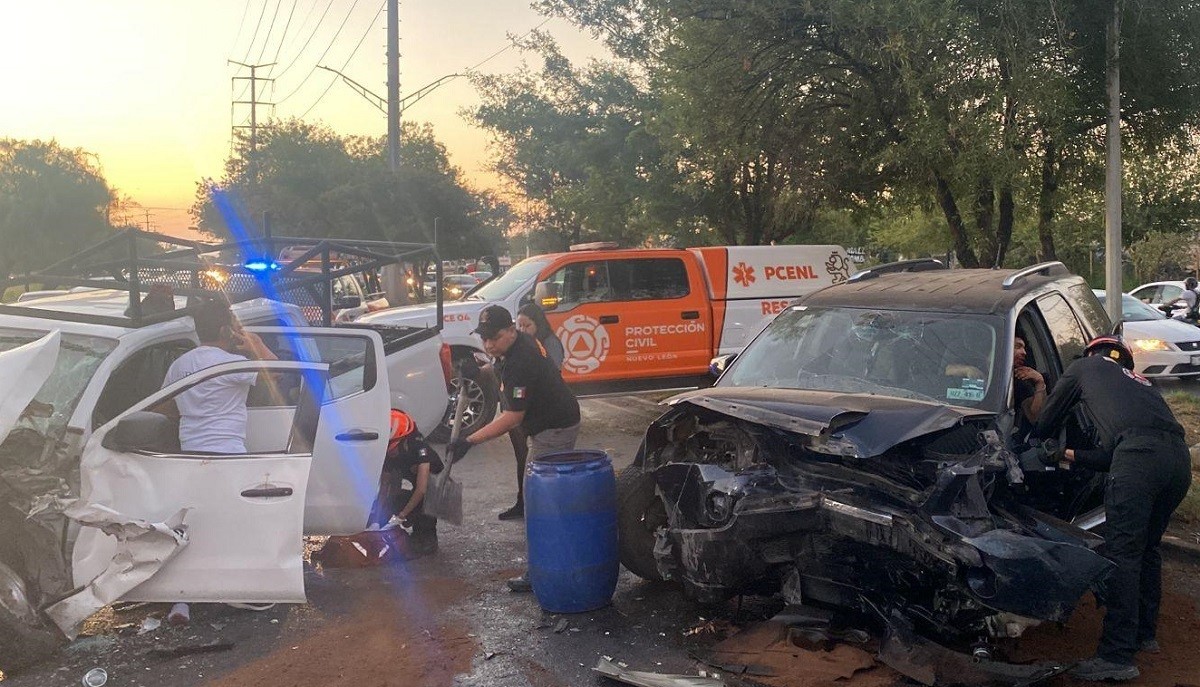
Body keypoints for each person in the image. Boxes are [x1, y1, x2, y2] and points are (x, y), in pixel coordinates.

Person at [1031, 336, 1192, 681]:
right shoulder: (1142, 386)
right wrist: (1066, 455)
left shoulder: (1083, 367)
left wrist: (1042, 442)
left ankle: (1117, 657)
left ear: (1091, 352)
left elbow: (1044, 422)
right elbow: (1118, 453)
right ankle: (1144, 635)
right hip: (1177, 463)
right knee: (1147, 550)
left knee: (1123, 556)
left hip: (1138, 460)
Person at [449, 305, 581, 591]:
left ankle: (543, 572)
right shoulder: (512, 346)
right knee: (539, 498)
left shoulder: (523, 358)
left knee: (539, 501)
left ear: (510, 331)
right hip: (546, 422)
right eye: (484, 338)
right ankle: (552, 563)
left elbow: (512, 417)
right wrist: (480, 370)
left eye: (493, 338)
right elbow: (500, 371)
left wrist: (469, 440)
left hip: (554, 429)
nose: (488, 344)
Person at [162, 297, 277, 453]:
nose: (240, 331)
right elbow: (277, 371)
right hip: (227, 453)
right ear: (226, 331)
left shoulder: (179, 365)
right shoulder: (232, 364)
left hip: (188, 452)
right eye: (236, 326)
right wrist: (257, 345)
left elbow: (166, 406)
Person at [490, 303, 567, 521]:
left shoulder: (547, 345)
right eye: (520, 325)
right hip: (515, 411)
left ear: (539, 324)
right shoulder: (515, 347)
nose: (523, 330)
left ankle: (540, 512)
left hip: (535, 414)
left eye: (528, 325)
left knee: (535, 467)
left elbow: (547, 377)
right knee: (522, 460)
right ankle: (522, 502)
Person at [368, 409, 442, 555]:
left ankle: (427, 538)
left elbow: (421, 489)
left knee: (425, 510)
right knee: (389, 503)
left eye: (392, 449)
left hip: (435, 491)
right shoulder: (389, 455)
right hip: (412, 486)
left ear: (405, 441)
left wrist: (401, 516)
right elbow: (384, 486)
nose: (390, 453)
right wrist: (377, 518)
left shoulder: (421, 450)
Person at [1012, 335, 1047, 430]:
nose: (1024, 352)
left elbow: (1035, 418)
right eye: (1017, 346)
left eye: (1024, 348)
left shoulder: (1019, 380)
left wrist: (1040, 382)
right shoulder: (979, 370)